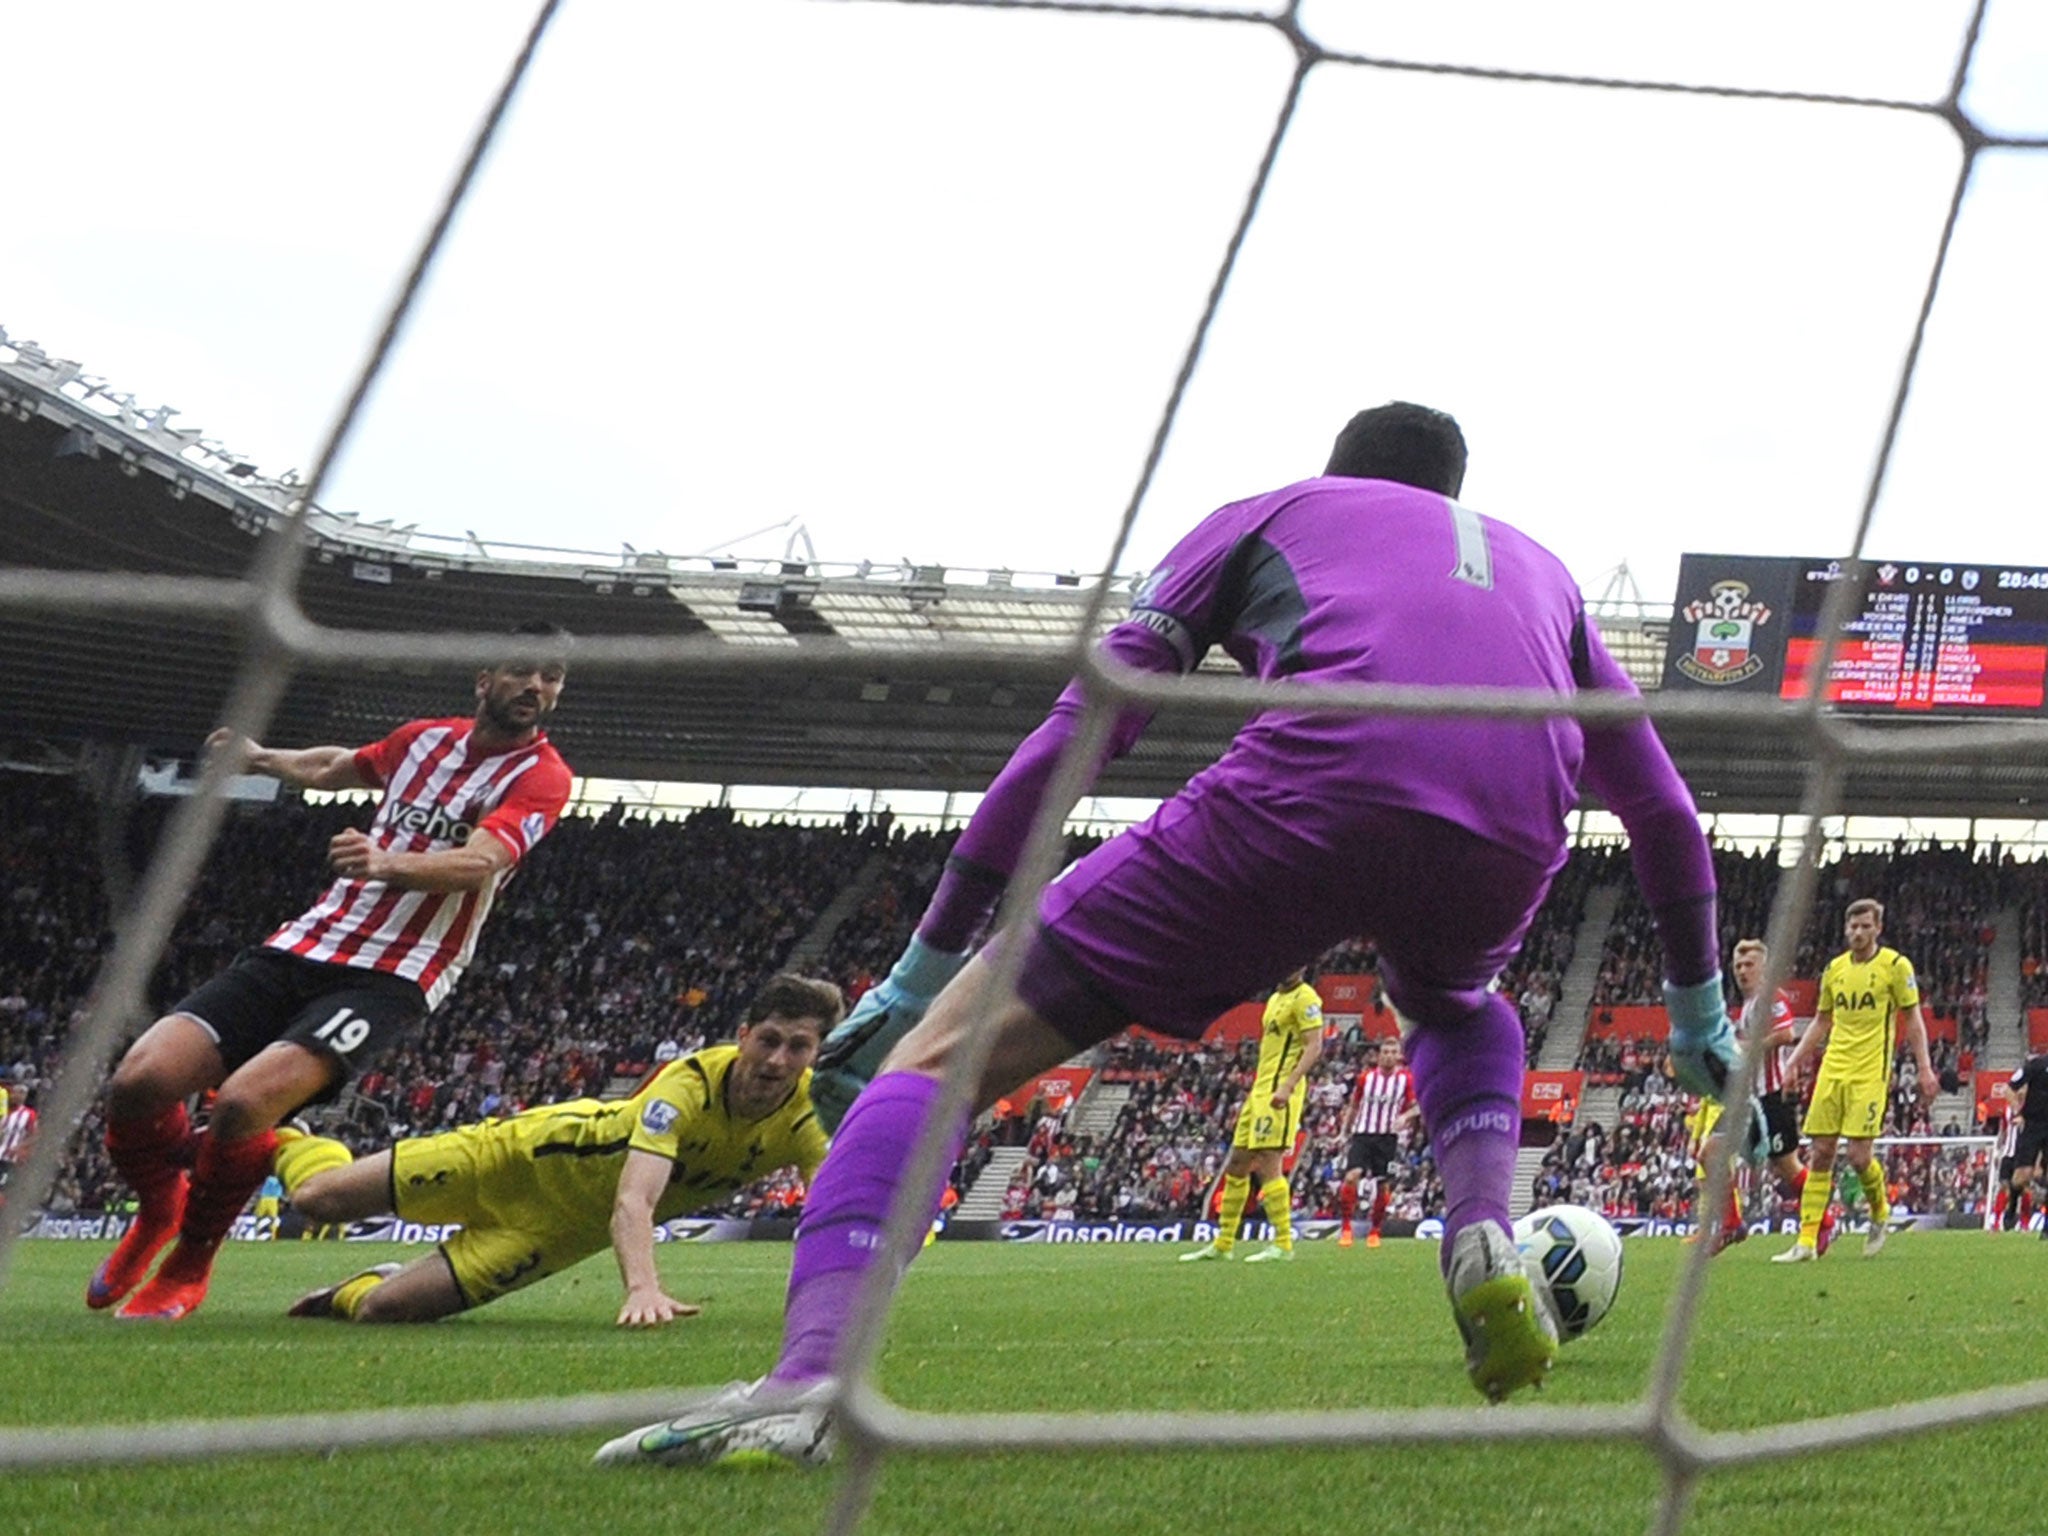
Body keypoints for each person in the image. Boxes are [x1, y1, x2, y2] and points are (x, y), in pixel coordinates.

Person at [597, 402, 1752, 1468]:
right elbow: (1657, 808)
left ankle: (806, 1387)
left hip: (1315, 779)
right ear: (1456, 488)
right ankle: (1480, 1229)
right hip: (1511, 824)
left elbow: (1085, 723)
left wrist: (923, 964)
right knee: (1457, 1002)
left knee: (941, 1059)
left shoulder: (1269, 513)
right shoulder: (1545, 572)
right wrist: (1699, 1014)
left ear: (1335, 468)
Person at [89, 623, 574, 1321]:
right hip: (308, 942)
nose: (537, 687)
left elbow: (481, 863)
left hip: (395, 972)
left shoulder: (542, 776)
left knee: (243, 1103)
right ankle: (158, 1210)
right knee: (140, 1080)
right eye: (524, 671)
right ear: (484, 679)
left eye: (552, 677)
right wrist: (260, 759)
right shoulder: (423, 741)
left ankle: (189, 1262)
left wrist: (387, 862)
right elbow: (336, 766)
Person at [276, 975, 840, 1324]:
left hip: (558, 1234)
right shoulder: (687, 1086)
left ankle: (352, 1289)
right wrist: (644, 1288)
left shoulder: (812, 1116)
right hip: (520, 1157)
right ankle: (284, 1135)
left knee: (383, 1310)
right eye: (768, 1041)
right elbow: (634, 1201)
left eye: (798, 1047)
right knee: (318, 1198)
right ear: (744, 1035)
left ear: (817, 1051)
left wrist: (831, 1306)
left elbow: (832, 1211)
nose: (777, 1061)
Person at [1773, 899, 1938, 1263]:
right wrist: (1793, 1062)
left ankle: (1879, 1213)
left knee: (1859, 1155)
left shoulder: (1895, 966)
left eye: (1866, 926)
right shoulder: (1834, 969)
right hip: (1833, 1067)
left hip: (1870, 1071)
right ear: (1846, 929)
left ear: (1878, 928)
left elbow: (1912, 1020)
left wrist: (1924, 1067)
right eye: (1853, 927)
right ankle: (1805, 1241)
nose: (1858, 932)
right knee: (1820, 1153)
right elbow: (1821, 1021)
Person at [1179, 969, 1325, 1264]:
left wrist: (1288, 1084)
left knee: (1268, 1163)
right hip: (1259, 1091)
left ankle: (1283, 1243)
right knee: (1237, 1164)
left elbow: (1314, 1045)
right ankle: (1223, 1244)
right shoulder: (1274, 999)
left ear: (1303, 967)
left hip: (1280, 1091)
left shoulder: (1306, 997)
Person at [1691, 938, 1820, 1256]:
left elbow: (1787, 1034)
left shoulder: (1770, 998)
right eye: (1738, 965)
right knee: (1709, 1153)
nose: (1742, 971)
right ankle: (1732, 1225)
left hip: (1769, 1099)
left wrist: (1746, 1047)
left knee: (1788, 1168)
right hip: (1744, 1100)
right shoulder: (1746, 1007)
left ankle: (1826, 1219)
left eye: (1749, 964)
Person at [1337, 1034, 1419, 1248]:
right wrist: (1344, 1131)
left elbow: (1417, 1106)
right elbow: (1354, 1106)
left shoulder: (1405, 1080)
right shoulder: (1366, 1078)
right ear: (1379, 1055)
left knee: (1383, 1186)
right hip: (1363, 1134)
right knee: (1351, 1177)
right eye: (1385, 1052)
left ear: (1399, 1056)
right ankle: (1346, 1228)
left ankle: (1375, 1231)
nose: (1389, 1056)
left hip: (1388, 1138)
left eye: (1393, 1052)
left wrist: (1405, 1117)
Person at [2000, 1052, 2048, 1234]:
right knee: (2022, 1176)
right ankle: (2012, 1207)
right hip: (2032, 1126)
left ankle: (2046, 1226)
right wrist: (2017, 1113)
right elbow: (2009, 1088)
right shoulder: (2036, 1065)